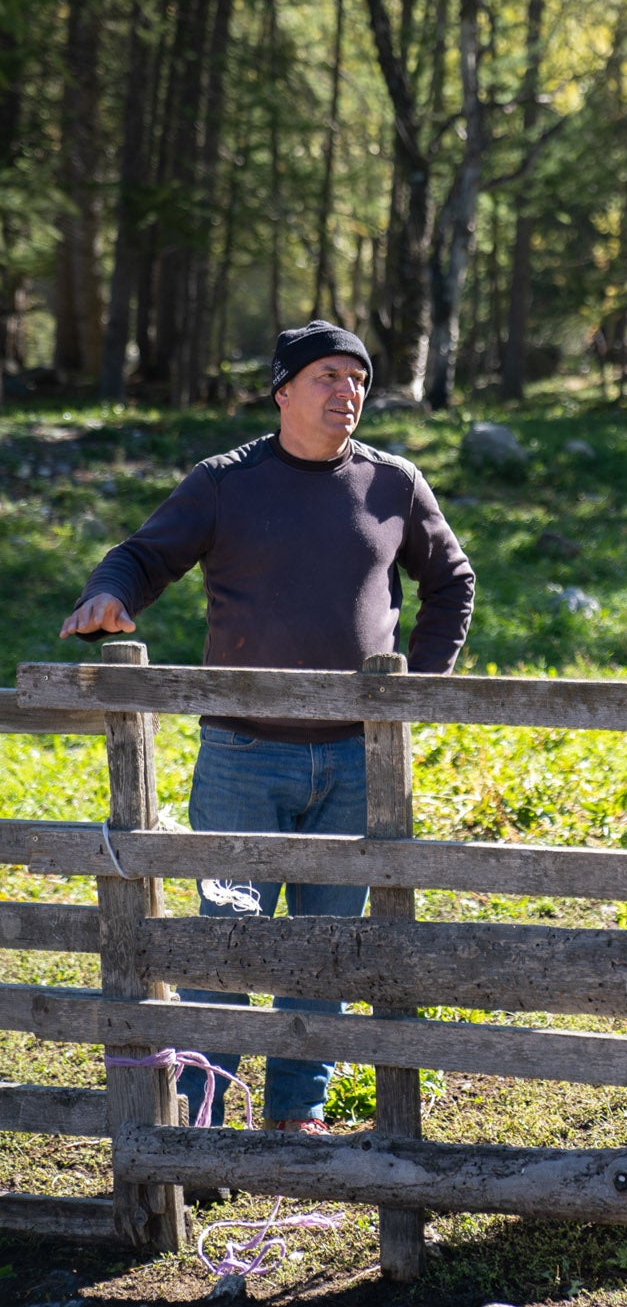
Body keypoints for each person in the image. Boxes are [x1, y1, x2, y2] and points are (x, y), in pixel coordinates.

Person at [60, 320, 475, 1146]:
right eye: (326, 376)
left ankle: (295, 1113)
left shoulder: (393, 482)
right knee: (228, 943)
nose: (345, 393)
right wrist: (111, 595)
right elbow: (142, 557)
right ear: (283, 388)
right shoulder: (225, 483)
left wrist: (414, 692)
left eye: (357, 380)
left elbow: (451, 582)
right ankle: (207, 1115)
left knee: (324, 947)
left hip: (358, 759)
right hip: (243, 756)